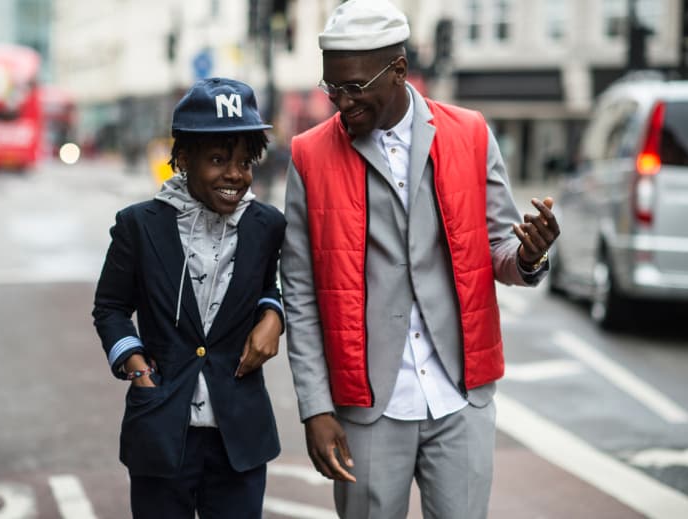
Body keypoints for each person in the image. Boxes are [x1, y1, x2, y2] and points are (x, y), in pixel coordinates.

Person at [280, 1, 560, 518]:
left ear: (399, 70)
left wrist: (527, 255)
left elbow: (499, 250)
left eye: (355, 87)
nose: (341, 102)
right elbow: (298, 292)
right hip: (366, 404)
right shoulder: (308, 155)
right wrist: (315, 407)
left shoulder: (470, 133)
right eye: (332, 88)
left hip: (460, 397)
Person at [92, 77, 286, 519]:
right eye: (218, 159)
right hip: (162, 426)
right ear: (183, 158)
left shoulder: (266, 226)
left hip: (240, 433)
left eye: (245, 161)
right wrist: (136, 367)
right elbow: (110, 307)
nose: (234, 174)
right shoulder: (139, 226)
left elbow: (268, 287)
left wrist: (273, 316)